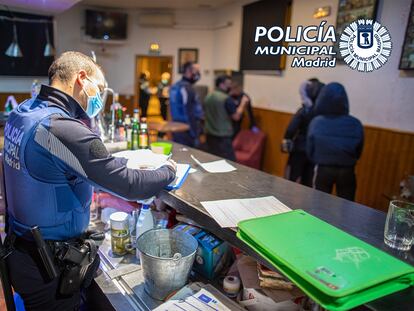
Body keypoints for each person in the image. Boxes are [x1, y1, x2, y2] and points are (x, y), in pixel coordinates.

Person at [3, 51, 176, 310]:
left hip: (21, 249)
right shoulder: (61, 128)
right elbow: (127, 184)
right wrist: (169, 171)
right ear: (82, 78)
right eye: (100, 88)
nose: (100, 97)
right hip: (48, 264)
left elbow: (75, 164)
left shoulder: (24, 113)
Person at [307, 82, 364, 201]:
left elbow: (310, 150)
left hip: (323, 169)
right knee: (346, 206)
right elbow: (358, 151)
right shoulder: (355, 123)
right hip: (348, 170)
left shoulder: (317, 122)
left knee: (318, 204)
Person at [282, 78, 324, 187]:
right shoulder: (322, 113)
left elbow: (291, 129)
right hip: (314, 150)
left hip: (299, 148)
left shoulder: (304, 111)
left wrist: (287, 139)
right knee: (308, 181)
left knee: (291, 178)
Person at [203, 75, 248, 161]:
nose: (230, 86)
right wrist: (242, 103)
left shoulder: (208, 96)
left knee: (211, 160)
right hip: (222, 137)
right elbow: (236, 117)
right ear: (221, 84)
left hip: (209, 135)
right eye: (228, 84)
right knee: (230, 162)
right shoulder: (226, 99)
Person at [169, 62, 203, 147]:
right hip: (187, 129)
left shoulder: (176, 85)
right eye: (197, 70)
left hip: (177, 126)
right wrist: (194, 132)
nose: (198, 73)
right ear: (188, 71)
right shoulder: (186, 88)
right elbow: (188, 111)